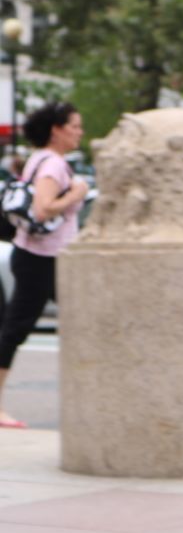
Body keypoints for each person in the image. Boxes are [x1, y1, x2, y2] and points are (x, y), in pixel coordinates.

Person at [0, 102, 89, 429]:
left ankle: (88, 400)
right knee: (15, 329)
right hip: (43, 259)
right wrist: (76, 193)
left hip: (43, 256)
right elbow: (42, 209)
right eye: (75, 126)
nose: (80, 132)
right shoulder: (53, 164)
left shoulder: (39, 159)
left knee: (82, 324)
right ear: (57, 130)